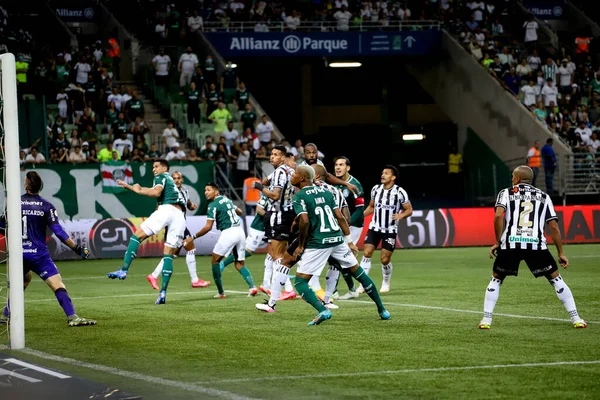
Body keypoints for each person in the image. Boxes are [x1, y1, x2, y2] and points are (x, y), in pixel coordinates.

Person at [256, 166, 390, 325]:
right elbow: (340, 217)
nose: (292, 175)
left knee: (300, 282)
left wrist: (301, 244)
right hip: (336, 239)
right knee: (359, 273)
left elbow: (305, 220)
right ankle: (382, 310)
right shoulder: (327, 192)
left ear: (303, 178)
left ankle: (322, 310)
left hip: (317, 242)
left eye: (296, 174)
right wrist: (350, 242)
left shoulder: (299, 196)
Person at [479, 166, 587, 330]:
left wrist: (498, 241)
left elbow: (498, 215)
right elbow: (553, 226)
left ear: (516, 179)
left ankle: (486, 320)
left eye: (512, 177)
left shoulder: (506, 193)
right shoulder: (544, 196)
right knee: (556, 280)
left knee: (496, 278)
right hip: (536, 245)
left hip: (511, 244)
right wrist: (561, 253)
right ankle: (576, 318)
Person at [0, 172, 96, 327]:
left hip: (19, 254)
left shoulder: (14, 203)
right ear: (40, 187)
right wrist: (77, 249)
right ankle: (72, 317)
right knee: (58, 285)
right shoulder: (47, 206)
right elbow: (58, 232)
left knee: (24, 279)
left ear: (25, 186)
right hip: (39, 254)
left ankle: (6, 315)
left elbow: (1, 226)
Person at [106, 160, 187, 305]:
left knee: (136, 237)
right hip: (180, 216)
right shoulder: (172, 184)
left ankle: (124, 270)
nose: (154, 169)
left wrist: (137, 189)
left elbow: (156, 192)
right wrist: (130, 187)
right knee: (168, 255)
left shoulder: (162, 176)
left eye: (156, 166)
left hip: (167, 210)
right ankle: (163, 293)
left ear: (164, 168)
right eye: (153, 167)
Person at [184, 183, 258, 298]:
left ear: (216, 192)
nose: (206, 192)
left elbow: (208, 227)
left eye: (208, 190)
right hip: (240, 232)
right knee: (239, 264)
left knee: (215, 261)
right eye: (205, 190)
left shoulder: (212, 205)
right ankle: (252, 287)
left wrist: (192, 237)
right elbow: (240, 212)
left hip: (228, 233)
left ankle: (220, 292)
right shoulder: (226, 199)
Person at [147, 171, 210, 289]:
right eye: (174, 178)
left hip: (181, 225)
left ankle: (153, 275)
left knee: (171, 255)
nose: (177, 180)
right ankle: (195, 280)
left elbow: (188, 204)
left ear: (182, 179)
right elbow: (159, 209)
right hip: (174, 226)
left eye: (179, 178)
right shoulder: (167, 193)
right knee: (190, 248)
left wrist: (192, 206)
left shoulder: (185, 191)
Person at [251, 145, 296, 297]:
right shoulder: (289, 171)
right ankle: (267, 284)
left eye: (276, 154)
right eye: (271, 154)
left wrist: (259, 187)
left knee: (278, 255)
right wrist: (265, 182)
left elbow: (275, 195)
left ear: (283, 158)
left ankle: (287, 289)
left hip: (279, 214)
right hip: (289, 213)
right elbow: (267, 180)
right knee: (273, 251)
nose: (272, 157)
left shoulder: (279, 172)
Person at [361, 165, 413, 293]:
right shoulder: (376, 189)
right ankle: (363, 284)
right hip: (375, 227)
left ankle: (385, 281)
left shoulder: (399, 192)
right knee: (367, 253)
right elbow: (371, 206)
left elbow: (409, 209)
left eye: (386, 173)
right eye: (382, 173)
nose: (383, 175)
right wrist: (359, 216)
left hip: (390, 230)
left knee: (385, 259)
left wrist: (401, 215)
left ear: (393, 177)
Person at [333, 156, 366, 300]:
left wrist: (347, 224)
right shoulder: (334, 183)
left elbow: (359, 209)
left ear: (348, 168)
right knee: (338, 258)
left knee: (342, 257)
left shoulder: (355, 184)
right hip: (339, 225)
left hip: (353, 226)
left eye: (341, 165)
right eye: (336, 165)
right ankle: (350, 290)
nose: (338, 168)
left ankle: (352, 289)